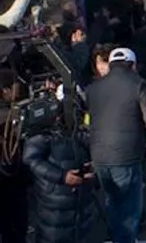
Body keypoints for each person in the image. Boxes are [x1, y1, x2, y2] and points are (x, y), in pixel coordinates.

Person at [85, 47, 146, 243]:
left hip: (99, 154)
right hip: (126, 154)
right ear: (133, 65)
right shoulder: (139, 85)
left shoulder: (93, 88)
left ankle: (116, 236)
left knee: (112, 200)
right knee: (129, 206)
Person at [23, 101, 95, 243]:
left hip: (78, 202)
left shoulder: (77, 133)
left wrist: (93, 168)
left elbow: (91, 145)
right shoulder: (43, 136)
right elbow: (31, 160)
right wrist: (61, 176)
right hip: (54, 202)